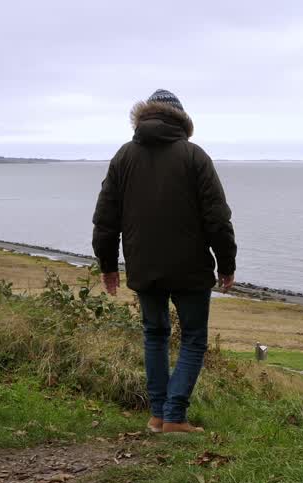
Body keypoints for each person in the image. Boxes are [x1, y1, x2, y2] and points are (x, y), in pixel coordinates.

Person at [92, 89, 236, 434]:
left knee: (154, 336)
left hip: (144, 265)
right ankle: (174, 416)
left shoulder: (124, 157)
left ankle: (159, 415)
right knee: (193, 339)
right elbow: (217, 218)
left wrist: (108, 265)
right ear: (182, 120)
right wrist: (226, 262)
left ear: (143, 118)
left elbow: (105, 218)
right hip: (191, 268)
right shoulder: (194, 156)